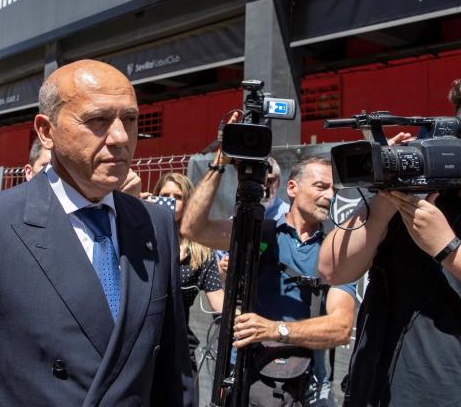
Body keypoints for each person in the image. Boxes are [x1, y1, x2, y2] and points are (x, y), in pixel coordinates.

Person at [0, 59, 194, 407]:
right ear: (46, 131)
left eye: (130, 120)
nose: (120, 137)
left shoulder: (155, 224)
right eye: (98, 121)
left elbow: (172, 371)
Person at [181, 148, 355, 407]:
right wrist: (220, 162)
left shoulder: (336, 250)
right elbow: (194, 228)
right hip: (246, 376)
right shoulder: (259, 232)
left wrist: (276, 330)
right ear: (293, 188)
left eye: (334, 190)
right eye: (321, 187)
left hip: (308, 384)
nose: (330, 196)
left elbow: (341, 328)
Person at [319, 187, 461, 405]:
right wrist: (387, 196)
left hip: (444, 389)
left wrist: (448, 248)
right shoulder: (388, 189)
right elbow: (333, 270)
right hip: (373, 386)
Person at [153, 172, 224, 378]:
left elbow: (218, 300)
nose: (171, 201)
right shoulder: (141, 236)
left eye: (178, 197)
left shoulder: (200, 252)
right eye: (165, 195)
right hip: (142, 344)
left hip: (178, 347)